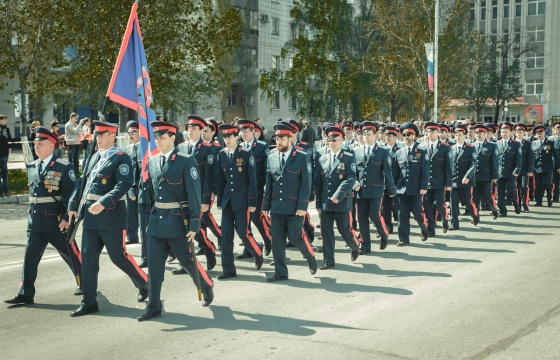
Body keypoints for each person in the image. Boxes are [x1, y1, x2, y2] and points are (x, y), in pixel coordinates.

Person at [68, 121, 148, 317]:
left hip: (111, 215)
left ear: (113, 136)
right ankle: (88, 301)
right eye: (97, 135)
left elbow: (125, 183)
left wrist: (104, 202)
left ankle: (145, 284)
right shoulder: (94, 156)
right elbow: (82, 182)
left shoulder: (121, 158)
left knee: (118, 257)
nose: (98, 138)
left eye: (102, 135)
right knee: (88, 260)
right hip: (90, 216)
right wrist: (72, 204)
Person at [137, 121, 214, 321]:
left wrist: (195, 223)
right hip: (157, 223)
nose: (159, 141)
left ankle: (206, 286)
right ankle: (153, 306)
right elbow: (153, 194)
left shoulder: (185, 160)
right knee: (154, 269)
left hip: (179, 223)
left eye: (163, 137)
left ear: (172, 138)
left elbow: (194, 194)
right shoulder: (152, 161)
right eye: (157, 137)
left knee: (188, 262)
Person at [4, 127, 82, 306]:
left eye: (40, 144)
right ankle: (25, 293)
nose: (36, 147)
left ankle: (86, 283)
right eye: (34, 144)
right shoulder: (32, 166)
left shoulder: (64, 166)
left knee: (71, 254)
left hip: (56, 221)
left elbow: (71, 193)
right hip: (36, 222)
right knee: (29, 258)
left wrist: (65, 218)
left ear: (51, 145)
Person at [263, 122, 317, 281]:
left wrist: (303, 206)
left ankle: (310, 257)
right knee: (277, 240)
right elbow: (269, 183)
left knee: (296, 237)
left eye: (281, 139)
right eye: (276, 139)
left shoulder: (301, 156)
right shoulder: (271, 156)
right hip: (277, 206)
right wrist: (266, 205)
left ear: (290, 138)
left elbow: (306, 184)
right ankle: (281, 272)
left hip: (295, 207)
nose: (278, 142)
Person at [215, 123, 263, 279]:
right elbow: (221, 181)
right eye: (225, 137)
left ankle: (257, 252)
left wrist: (252, 202)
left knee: (243, 233)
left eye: (230, 136)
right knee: (226, 236)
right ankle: (228, 269)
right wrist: (220, 200)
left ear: (236, 137)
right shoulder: (221, 154)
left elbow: (252, 180)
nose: (227, 140)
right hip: (228, 201)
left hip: (242, 200)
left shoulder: (246, 154)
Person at [172, 115, 217, 273]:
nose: (190, 131)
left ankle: (209, 248)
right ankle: (187, 262)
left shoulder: (207, 148)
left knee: (195, 229)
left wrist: (205, 199)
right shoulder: (181, 147)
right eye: (188, 128)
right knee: (182, 229)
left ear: (201, 131)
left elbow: (208, 177)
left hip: (198, 195)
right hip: (182, 195)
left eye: (194, 128)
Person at [315, 126, 360, 268]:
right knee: (326, 232)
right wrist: (318, 203)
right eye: (329, 140)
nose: (331, 142)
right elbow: (319, 182)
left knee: (345, 230)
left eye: (334, 140)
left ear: (341, 141)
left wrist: (338, 195)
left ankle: (355, 245)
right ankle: (329, 261)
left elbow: (351, 179)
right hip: (326, 202)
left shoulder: (348, 157)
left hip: (341, 201)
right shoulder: (322, 158)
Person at [355, 122, 395, 253]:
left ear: (376, 135)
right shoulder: (357, 151)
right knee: (361, 218)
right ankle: (365, 245)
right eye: (364, 135)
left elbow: (387, 172)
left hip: (376, 189)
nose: (366, 137)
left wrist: (391, 189)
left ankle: (384, 233)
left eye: (368, 134)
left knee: (374, 215)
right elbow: (354, 171)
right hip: (361, 190)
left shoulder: (383, 151)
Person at [236, 119, 272, 257]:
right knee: (244, 221)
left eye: (246, 131)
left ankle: (268, 239)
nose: (243, 133)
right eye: (241, 131)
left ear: (253, 132)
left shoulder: (262, 147)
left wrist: (265, 189)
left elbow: (267, 170)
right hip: (242, 191)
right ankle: (249, 248)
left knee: (257, 218)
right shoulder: (239, 147)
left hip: (257, 190)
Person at [392, 122, 429, 246]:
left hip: (416, 188)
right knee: (402, 214)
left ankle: (424, 228)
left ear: (414, 136)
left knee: (417, 212)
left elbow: (425, 171)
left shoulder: (422, 152)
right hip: (402, 189)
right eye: (404, 135)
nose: (406, 137)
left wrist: (424, 186)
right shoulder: (398, 153)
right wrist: (393, 188)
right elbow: (395, 173)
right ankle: (403, 238)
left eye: (409, 134)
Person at [422, 122, 452, 237]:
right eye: (428, 131)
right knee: (427, 205)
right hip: (426, 182)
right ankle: (431, 229)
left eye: (432, 131)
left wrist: (449, 182)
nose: (430, 134)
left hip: (440, 181)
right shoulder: (422, 146)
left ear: (437, 132)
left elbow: (448, 166)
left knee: (438, 203)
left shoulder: (445, 147)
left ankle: (444, 218)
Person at [449, 124, 478, 230]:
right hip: (454, 181)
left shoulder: (470, 148)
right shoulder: (451, 148)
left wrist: (468, 176)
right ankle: (454, 223)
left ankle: (474, 215)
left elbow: (473, 164)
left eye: (460, 135)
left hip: (466, 181)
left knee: (467, 202)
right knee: (453, 203)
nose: (458, 137)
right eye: (456, 135)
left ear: (465, 136)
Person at [472, 124, 499, 219]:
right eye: (476, 133)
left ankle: (493, 208)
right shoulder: (471, 145)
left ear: (485, 134)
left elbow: (494, 161)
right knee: (475, 197)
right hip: (474, 176)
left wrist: (495, 175)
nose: (478, 135)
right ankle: (476, 216)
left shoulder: (492, 145)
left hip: (486, 175)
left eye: (480, 133)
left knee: (487, 195)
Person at [496, 121, 522, 216]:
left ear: (511, 132)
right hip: (500, 172)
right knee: (500, 193)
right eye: (502, 132)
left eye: (506, 131)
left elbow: (519, 158)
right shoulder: (497, 144)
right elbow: (495, 159)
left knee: (511, 191)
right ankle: (502, 210)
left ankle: (516, 204)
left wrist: (517, 169)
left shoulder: (516, 144)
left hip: (511, 172)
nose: (504, 134)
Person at [531, 125, 560, 207]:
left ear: (544, 133)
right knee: (538, 185)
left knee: (548, 183)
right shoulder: (533, 144)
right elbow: (532, 157)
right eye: (537, 133)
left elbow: (556, 155)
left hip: (548, 167)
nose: (539, 135)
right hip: (537, 168)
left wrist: (558, 166)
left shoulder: (549, 142)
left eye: (541, 133)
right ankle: (538, 201)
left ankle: (549, 199)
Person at [125, 121, 140, 246]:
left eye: (133, 132)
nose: (130, 135)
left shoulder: (145, 148)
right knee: (130, 213)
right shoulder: (128, 149)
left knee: (142, 214)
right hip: (130, 186)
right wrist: (130, 188)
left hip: (142, 186)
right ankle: (132, 235)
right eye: (129, 133)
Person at [514, 124, 535, 212]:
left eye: (521, 132)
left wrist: (530, 170)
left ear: (524, 133)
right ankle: (518, 205)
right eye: (517, 132)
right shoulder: (512, 143)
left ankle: (525, 204)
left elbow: (531, 158)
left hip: (524, 169)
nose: (519, 134)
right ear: (515, 133)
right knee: (516, 188)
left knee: (524, 187)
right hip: (515, 170)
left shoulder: (528, 143)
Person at [0, 114, 12, 197]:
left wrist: (10, 147)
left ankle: (6, 190)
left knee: (5, 173)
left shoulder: (6, 129)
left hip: (4, 153)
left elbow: (10, 139)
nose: (6, 121)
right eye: (4, 119)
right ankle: (0, 191)